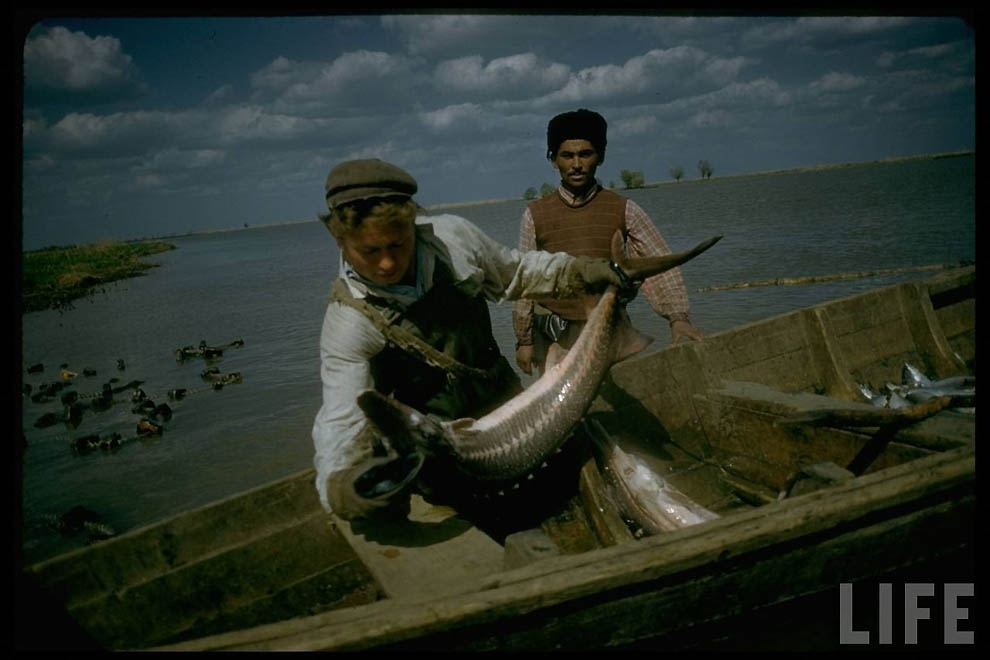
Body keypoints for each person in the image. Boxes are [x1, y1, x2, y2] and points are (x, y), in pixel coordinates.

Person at [312, 158, 638, 528]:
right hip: (444, 450)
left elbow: (516, 274)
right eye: (369, 252)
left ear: (413, 224)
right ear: (339, 238)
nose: (387, 263)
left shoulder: (452, 239)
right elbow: (340, 420)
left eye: (398, 244)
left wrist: (580, 272)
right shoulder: (349, 322)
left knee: (566, 490)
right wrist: (342, 489)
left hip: (510, 405)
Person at [513, 108, 704, 376]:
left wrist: (678, 318)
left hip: (611, 331)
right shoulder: (534, 214)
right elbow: (525, 283)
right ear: (553, 160)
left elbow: (661, 265)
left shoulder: (625, 209)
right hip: (555, 337)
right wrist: (524, 340)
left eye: (585, 154)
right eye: (567, 155)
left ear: (600, 157)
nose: (577, 164)